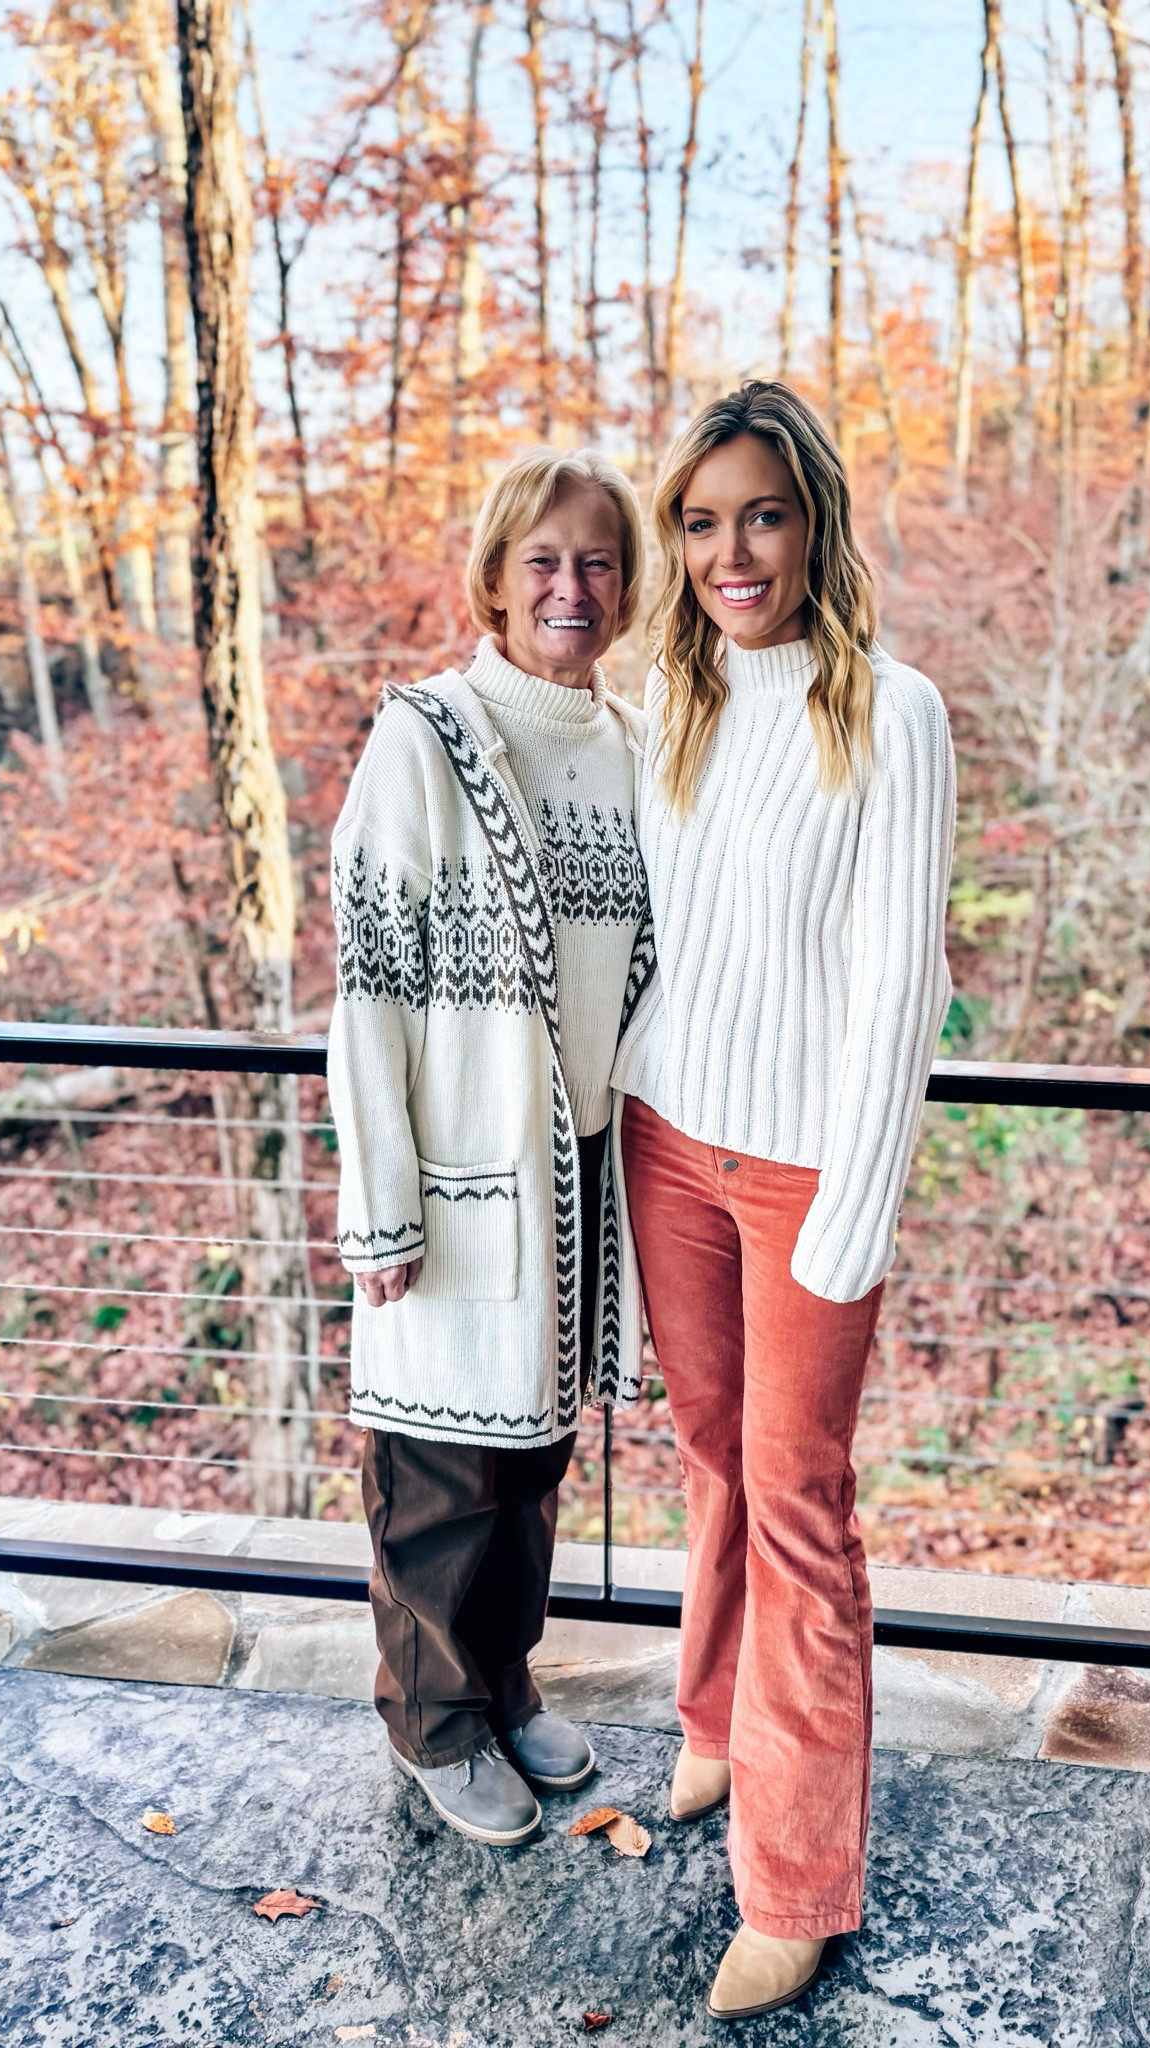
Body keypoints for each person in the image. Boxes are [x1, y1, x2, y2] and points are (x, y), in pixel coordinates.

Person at [612, 382, 956, 2019]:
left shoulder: (891, 712)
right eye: (699, 522)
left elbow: (900, 987)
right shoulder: (671, 701)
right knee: (709, 1457)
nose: (730, 552)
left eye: (761, 514)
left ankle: (799, 1881)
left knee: (798, 1501)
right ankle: (712, 1723)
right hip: (666, 1138)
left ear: (815, 521)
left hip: (809, 1165)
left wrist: (858, 1205)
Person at [327, 447, 653, 1847]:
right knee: (438, 1474)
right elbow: (369, 988)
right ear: (498, 579)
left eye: (597, 561)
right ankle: (435, 1721)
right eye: (543, 560)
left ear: (626, 585)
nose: (570, 586)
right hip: (458, 1166)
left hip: (581, 1178)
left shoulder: (634, 747)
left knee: (529, 1466)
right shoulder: (427, 737)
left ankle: (505, 1686)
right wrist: (382, 1203)